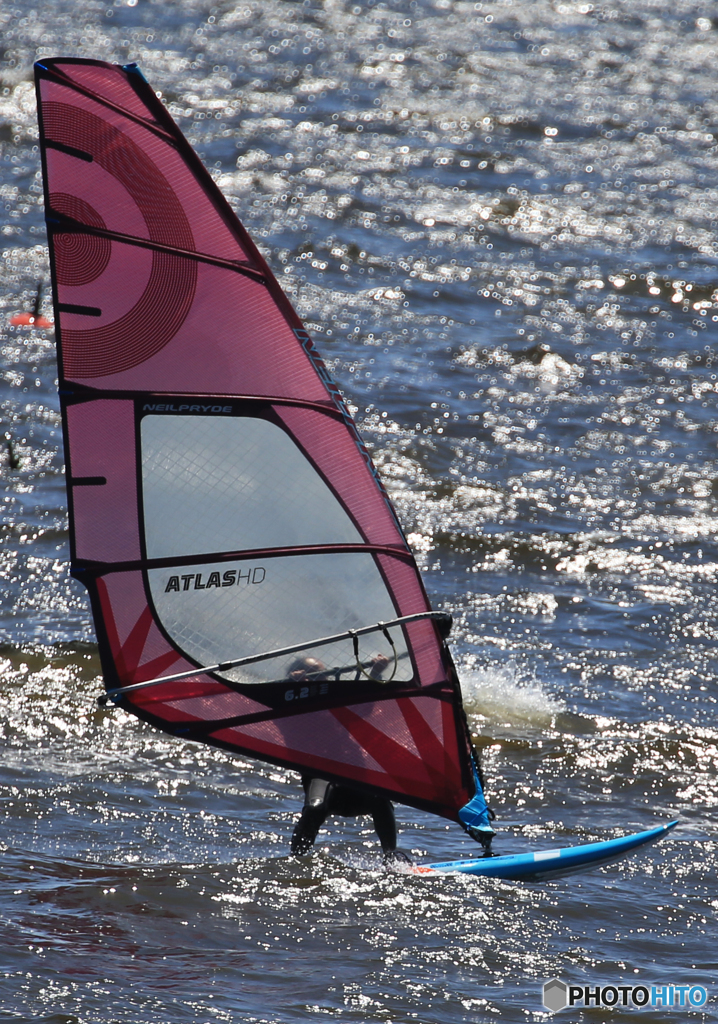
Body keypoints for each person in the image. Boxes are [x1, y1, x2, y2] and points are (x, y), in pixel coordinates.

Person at [287, 655, 410, 863]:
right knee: (316, 807)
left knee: (380, 798)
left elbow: (365, 703)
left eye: (324, 674)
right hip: (321, 778)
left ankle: (391, 858)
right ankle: (295, 860)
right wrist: (292, 686)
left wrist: (377, 672)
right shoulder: (290, 706)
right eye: (315, 675)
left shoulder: (337, 702)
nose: (323, 678)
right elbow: (284, 712)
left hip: (352, 783)